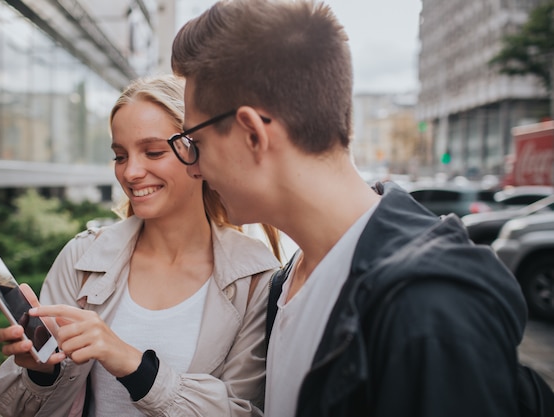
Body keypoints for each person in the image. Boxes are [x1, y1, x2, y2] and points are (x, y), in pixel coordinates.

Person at [169, 1, 528, 416]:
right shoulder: (286, 283)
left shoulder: (429, 312)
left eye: (194, 142)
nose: (193, 167)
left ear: (252, 133)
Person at [0, 74, 282, 417]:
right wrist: (42, 371)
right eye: (120, 156)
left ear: (198, 154)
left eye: (153, 152)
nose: (130, 173)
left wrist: (133, 365)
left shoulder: (255, 278)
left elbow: (243, 411)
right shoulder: (82, 258)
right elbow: (21, 410)